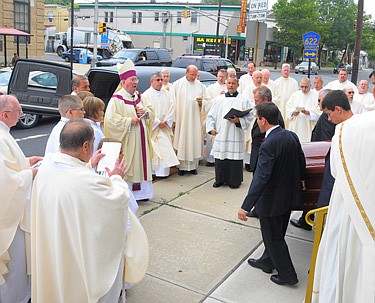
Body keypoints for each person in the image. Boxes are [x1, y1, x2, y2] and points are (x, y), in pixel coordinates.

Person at [31, 120, 143, 303]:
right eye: (92, 142)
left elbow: (71, 174)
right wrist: (116, 177)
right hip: (77, 253)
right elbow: (118, 200)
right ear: (85, 146)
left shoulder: (47, 165)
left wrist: (89, 164)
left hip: (55, 243)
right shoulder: (87, 182)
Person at [238, 102, 305, 286]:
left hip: (271, 201)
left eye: (257, 118)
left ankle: (288, 275)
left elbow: (261, 178)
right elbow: (301, 164)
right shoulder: (291, 136)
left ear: (263, 120)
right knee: (277, 234)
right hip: (287, 198)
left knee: (273, 238)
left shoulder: (268, 144)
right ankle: (267, 261)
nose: (257, 121)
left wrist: (246, 206)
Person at [312, 104, 371, 303]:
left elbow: (336, 171)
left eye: (329, 114)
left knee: (344, 260)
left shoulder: (348, 129)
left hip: (348, 207)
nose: (328, 119)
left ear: (338, 109)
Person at [0, 95, 42, 303]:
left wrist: (26, 162)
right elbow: (4, 180)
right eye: (18, 111)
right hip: (9, 215)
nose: (22, 115)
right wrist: (30, 174)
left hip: (15, 207)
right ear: (5, 114)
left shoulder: (4, 133)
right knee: (15, 260)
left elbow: (9, 165)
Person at [104, 59, 155, 201]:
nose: (135, 82)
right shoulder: (117, 99)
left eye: (136, 79)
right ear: (124, 82)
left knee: (142, 163)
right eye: (132, 79)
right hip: (129, 140)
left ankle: (144, 193)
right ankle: (130, 194)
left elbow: (151, 110)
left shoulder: (138, 95)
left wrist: (145, 112)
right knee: (130, 164)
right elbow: (110, 121)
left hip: (141, 139)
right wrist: (128, 121)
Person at [290, 89, 335, 230]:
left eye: (320, 101)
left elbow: (326, 140)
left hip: (321, 160)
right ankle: (305, 219)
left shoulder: (328, 118)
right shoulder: (326, 115)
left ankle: (306, 220)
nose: (318, 103)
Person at [206, 76, 252, 189]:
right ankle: (220, 179)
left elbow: (251, 115)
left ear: (238, 85)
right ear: (226, 84)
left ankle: (234, 181)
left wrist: (239, 121)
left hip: (236, 133)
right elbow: (210, 115)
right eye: (229, 83)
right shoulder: (219, 99)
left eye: (233, 83)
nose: (231, 85)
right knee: (221, 157)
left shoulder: (243, 99)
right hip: (221, 132)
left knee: (234, 159)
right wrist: (211, 128)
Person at [142, 72, 179, 177]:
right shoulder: (146, 95)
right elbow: (145, 111)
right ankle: (153, 172)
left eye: (161, 80)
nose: (160, 82)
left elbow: (172, 107)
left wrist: (167, 121)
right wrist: (158, 122)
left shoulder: (167, 93)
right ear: (151, 82)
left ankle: (163, 173)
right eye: (157, 80)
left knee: (164, 149)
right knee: (155, 150)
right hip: (153, 128)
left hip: (165, 126)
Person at [173, 65, 207, 175]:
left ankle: (193, 166)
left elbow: (207, 101)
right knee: (182, 140)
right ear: (186, 73)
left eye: (195, 75)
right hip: (182, 120)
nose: (194, 77)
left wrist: (202, 103)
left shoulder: (200, 86)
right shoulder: (178, 85)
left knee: (193, 141)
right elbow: (172, 102)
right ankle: (181, 167)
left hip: (195, 120)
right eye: (192, 74)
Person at [203, 69, 228, 166]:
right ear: (217, 76)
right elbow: (207, 103)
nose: (221, 78)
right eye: (219, 76)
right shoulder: (211, 88)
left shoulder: (228, 87)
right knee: (211, 137)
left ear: (226, 77)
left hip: (224, 117)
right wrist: (218, 97)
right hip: (214, 116)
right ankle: (210, 159)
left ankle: (221, 158)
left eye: (223, 77)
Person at [286, 77, 319, 143]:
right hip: (296, 125)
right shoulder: (295, 95)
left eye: (306, 87)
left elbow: (319, 111)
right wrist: (293, 112)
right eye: (302, 87)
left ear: (310, 86)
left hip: (308, 126)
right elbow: (288, 108)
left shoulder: (316, 96)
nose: (304, 89)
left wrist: (309, 112)